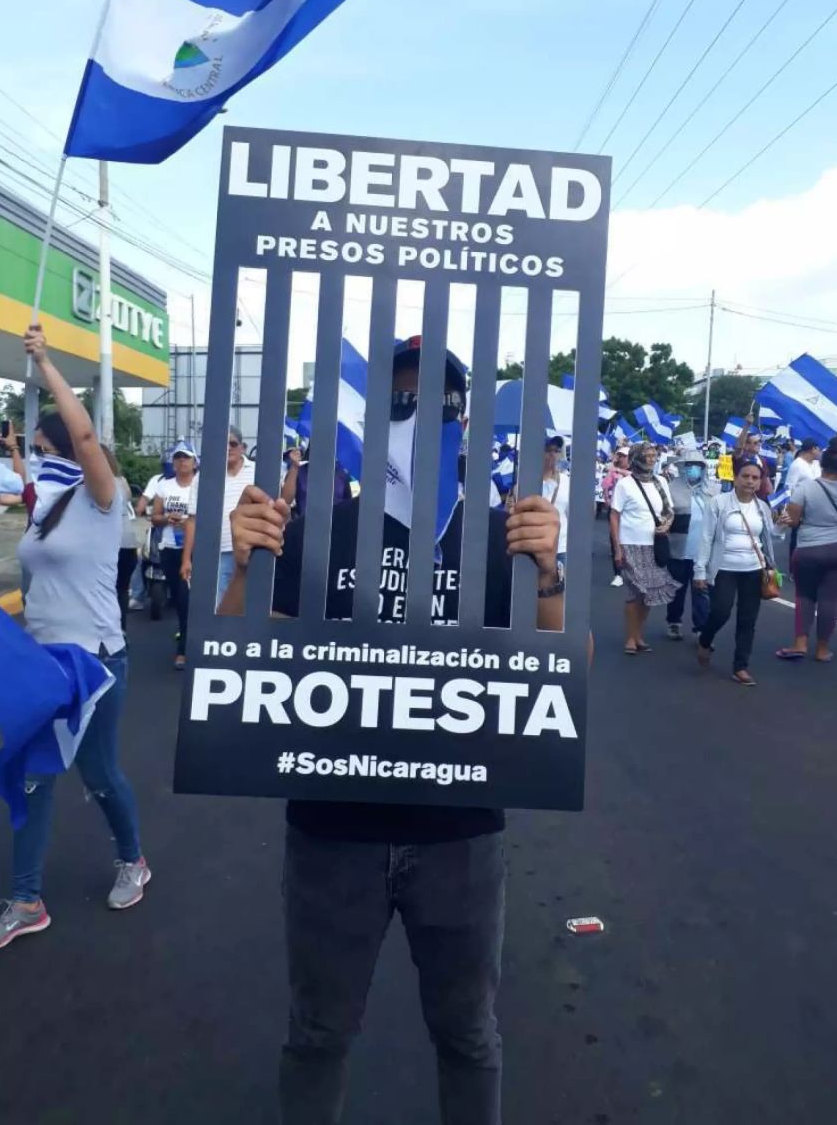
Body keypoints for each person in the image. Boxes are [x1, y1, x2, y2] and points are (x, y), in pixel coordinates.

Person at [220, 336, 564, 1125]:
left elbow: (560, 670)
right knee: (317, 1033)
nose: (420, 421)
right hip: (331, 835)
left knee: (470, 1035)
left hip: (461, 837)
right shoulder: (318, 528)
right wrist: (245, 565)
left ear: (464, 420)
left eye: (439, 407)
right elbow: (235, 665)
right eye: (401, 405)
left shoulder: (498, 533)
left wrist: (549, 573)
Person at [0, 326, 149, 953]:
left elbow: (82, 436)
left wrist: (47, 364)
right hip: (45, 663)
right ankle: (27, 900)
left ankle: (133, 859)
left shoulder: (101, 499)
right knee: (32, 777)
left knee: (100, 773)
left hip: (97, 662)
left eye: (38, 443)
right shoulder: (47, 504)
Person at [694, 455, 777, 686]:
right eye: (746, 476)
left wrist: (781, 525)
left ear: (760, 482)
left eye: (755, 478)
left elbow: (771, 537)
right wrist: (699, 570)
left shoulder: (762, 508)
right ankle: (705, 639)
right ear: (736, 477)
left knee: (748, 619)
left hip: (753, 569)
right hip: (724, 568)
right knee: (721, 611)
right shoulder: (719, 503)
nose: (750, 481)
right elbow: (706, 537)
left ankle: (740, 666)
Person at [776, 437, 837, 663]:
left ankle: (800, 643)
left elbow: (792, 519)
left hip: (810, 549)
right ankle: (822, 650)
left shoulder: (807, 487)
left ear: (822, 465)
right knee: (830, 599)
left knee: (805, 596)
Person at [610, 442, 680, 654]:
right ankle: (630, 638)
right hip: (630, 544)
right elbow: (614, 516)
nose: (651, 459)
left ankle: (639, 634)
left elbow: (669, 511)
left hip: (653, 545)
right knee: (635, 591)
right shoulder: (625, 485)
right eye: (647, 455)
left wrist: (666, 525)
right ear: (637, 458)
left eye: (653, 455)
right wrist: (617, 549)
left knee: (648, 593)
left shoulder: (660, 481)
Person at [181, 425, 255, 602]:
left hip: (250, 552)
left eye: (233, 443)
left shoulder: (256, 471)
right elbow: (192, 519)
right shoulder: (204, 476)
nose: (228, 447)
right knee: (217, 607)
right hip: (216, 553)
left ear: (242, 447)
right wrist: (186, 559)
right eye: (224, 444)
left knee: (249, 605)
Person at [151, 443, 198, 670]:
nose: (182, 462)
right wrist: (167, 518)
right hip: (170, 547)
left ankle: (185, 650)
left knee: (188, 598)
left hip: (196, 549)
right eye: (178, 458)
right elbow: (155, 516)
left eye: (186, 458)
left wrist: (188, 521)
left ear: (194, 462)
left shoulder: (201, 484)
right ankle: (186, 634)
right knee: (180, 599)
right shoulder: (165, 486)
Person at [664, 449, 713, 640]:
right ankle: (674, 622)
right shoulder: (671, 489)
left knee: (701, 591)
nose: (694, 469)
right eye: (690, 465)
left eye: (699, 466)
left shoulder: (711, 491)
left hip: (702, 551)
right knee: (676, 589)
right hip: (677, 549)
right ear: (682, 467)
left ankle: (701, 628)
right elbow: (664, 515)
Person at [101, 447, 140, 632]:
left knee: (103, 590)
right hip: (128, 542)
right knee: (122, 589)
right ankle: (121, 629)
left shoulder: (96, 483)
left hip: (108, 543)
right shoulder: (122, 482)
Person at [282, 444, 353, 517]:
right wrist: (294, 466)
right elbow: (285, 500)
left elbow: (348, 505)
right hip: (305, 524)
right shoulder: (300, 471)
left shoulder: (341, 473)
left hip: (335, 525)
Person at [784, 438, 822, 563]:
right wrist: (790, 509)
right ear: (812, 449)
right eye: (818, 449)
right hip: (800, 508)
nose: (820, 452)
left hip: (815, 508)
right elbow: (789, 486)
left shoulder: (816, 465)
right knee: (797, 538)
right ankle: (793, 568)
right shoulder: (797, 464)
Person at [602, 446, 630, 587]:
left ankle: (631, 571)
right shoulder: (613, 471)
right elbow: (605, 485)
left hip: (630, 512)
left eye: (623, 456)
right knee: (615, 539)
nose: (621, 458)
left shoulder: (636, 471)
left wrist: (619, 471)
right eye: (619, 455)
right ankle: (618, 574)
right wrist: (607, 498)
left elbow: (635, 476)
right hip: (615, 510)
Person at [541, 435, 570, 568]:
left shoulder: (566, 481)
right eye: (548, 450)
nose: (553, 455)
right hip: (535, 545)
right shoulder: (527, 481)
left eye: (557, 451)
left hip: (560, 546)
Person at [732, 416, 772, 497]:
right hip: (742, 498)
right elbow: (739, 447)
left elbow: (767, 482)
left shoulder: (761, 459)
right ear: (746, 445)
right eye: (756, 442)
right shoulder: (741, 457)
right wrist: (747, 425)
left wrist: (773, 501)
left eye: (759, 442)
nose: (759, 444)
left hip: (760, 500)